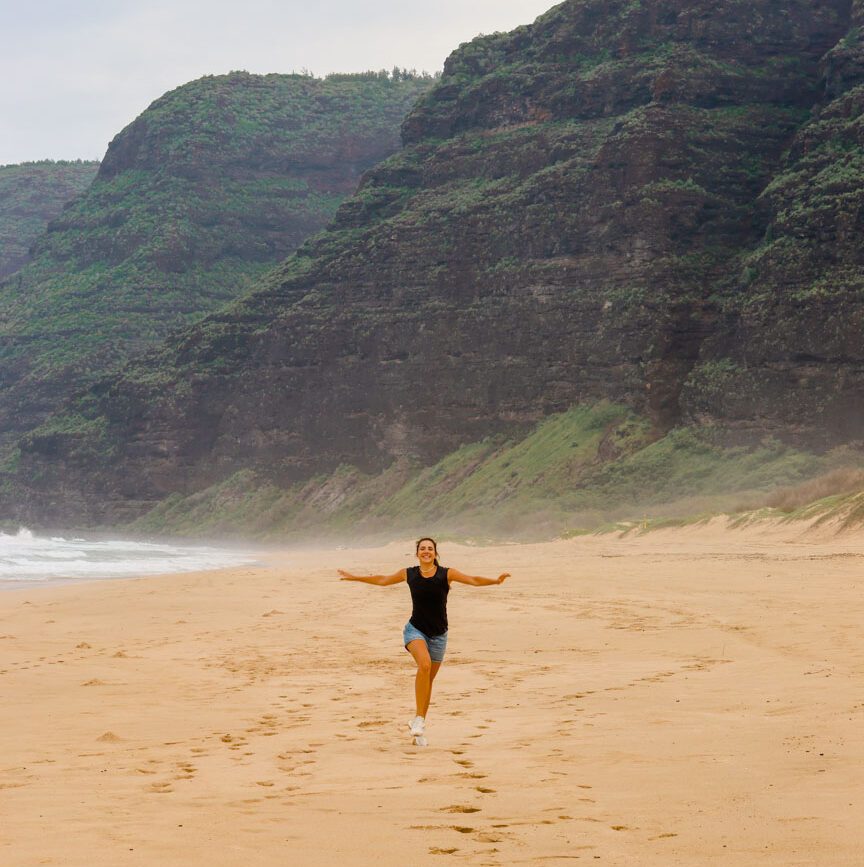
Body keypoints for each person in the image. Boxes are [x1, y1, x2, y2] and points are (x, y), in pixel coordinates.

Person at [338, 537, 510, 742]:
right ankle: (419, 719)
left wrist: (496, 581)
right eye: (422, 549)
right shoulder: (408, 573)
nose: (426, 551)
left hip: (439, 635)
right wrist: (355, 578)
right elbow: (383, 580)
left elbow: (473, 580)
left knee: (427, 682)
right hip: (415, 630)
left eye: (430, 549)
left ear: (435, 553)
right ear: (417, 553)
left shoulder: (447, 574)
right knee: (425, 666)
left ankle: (418, 725)